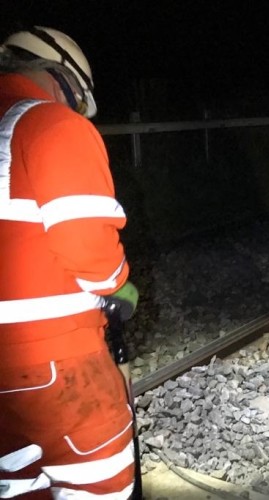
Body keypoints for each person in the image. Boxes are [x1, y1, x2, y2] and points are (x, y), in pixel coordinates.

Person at [0, 27, 139, 498]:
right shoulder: (53, 125)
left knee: (18, 487)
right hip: (50, 362)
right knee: (100, 483)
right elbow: (88, 248)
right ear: (65, 80)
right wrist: (119, 285)